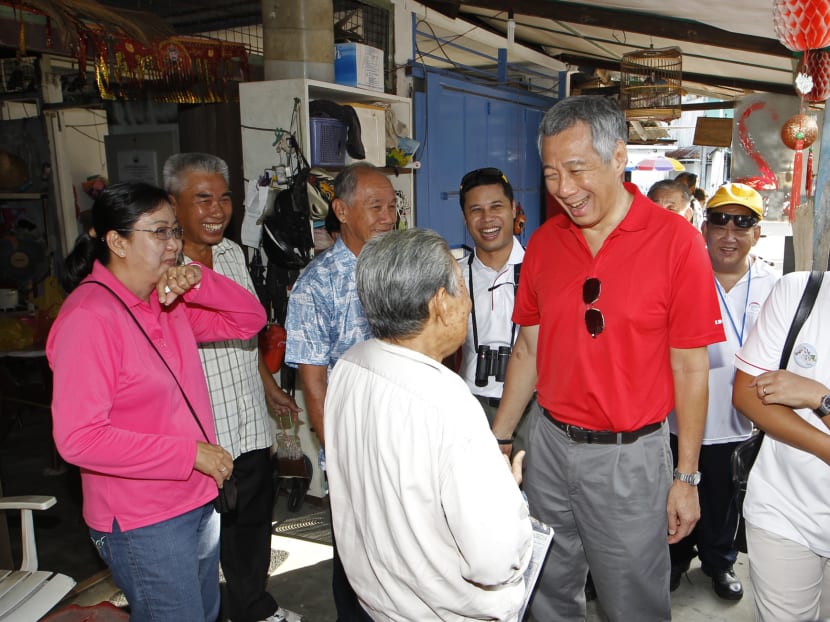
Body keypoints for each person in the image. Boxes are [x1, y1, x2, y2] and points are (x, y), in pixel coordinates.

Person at [491, 95, 725, 621]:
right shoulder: (546, 245)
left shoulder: (677, 244)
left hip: (629, 458)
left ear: (618, 156)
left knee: (632, 601)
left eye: (577, 169)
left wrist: (686, 478)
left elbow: (690, 368)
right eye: (551, 174)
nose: (564, 189)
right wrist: (502, 436)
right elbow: (529, 347)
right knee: (545, 589)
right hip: (548, 446)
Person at [47, 182, 266, 621]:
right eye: (159, 232)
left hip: (195, 501)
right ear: (117, 241)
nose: (173, 244)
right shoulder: (90, 318)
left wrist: (200, 280)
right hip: (143, 520)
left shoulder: (165, 303)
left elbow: (249, 320)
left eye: (175, 233)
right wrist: (189, 454)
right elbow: (79, 440)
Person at [325, 228, 532, 621]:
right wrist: (505, 493)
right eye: (461, 288)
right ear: (440, 302)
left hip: (375, 601)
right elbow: (493, 559)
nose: (469, 305)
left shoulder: (351, 365)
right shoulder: (448, 402)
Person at [163, 153, 302, 622]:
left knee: (253, 524)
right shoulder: (162, 271)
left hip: (248, 423)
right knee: (200, 539)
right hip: (202, 436)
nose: (217, 210)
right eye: (203, 199)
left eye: (224, 198)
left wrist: (266, 385)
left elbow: (246, 330)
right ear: (172, 204)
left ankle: (253, 608)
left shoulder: (231, 254)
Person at [284, 162, 397, 621]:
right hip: (356, 450)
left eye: (393, 205)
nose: (388, 216)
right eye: (376, 207)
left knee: (400, 557)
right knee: (357, 559)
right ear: (341, 210)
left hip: (404, 439)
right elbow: (314, 386)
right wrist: (342, 457)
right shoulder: (317, 286)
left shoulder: (397, 265)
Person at [668, 182, 778, 599]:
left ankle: (719, 564)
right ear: (704, 227)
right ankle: (676, 561)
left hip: (741, 425)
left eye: (742, 222)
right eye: (719, 221)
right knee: (676, 497)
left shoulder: (774, 285)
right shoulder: (681, 276)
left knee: (725, 504)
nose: (729, 233)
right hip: (679, 419)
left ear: (757, 232)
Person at [733, 271, 830, 622]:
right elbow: (747, 393)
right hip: (784, 510)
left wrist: (819, 397)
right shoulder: (801, 290)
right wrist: (825, 446)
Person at [457, 167, 534, 452]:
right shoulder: (453, 276)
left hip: (532, 408)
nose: (487, 219)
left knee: (533, 492)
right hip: (471, 405)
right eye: (475, 210)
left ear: (514, 209)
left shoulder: (542, 270)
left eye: (496, 207)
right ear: (465, 219)